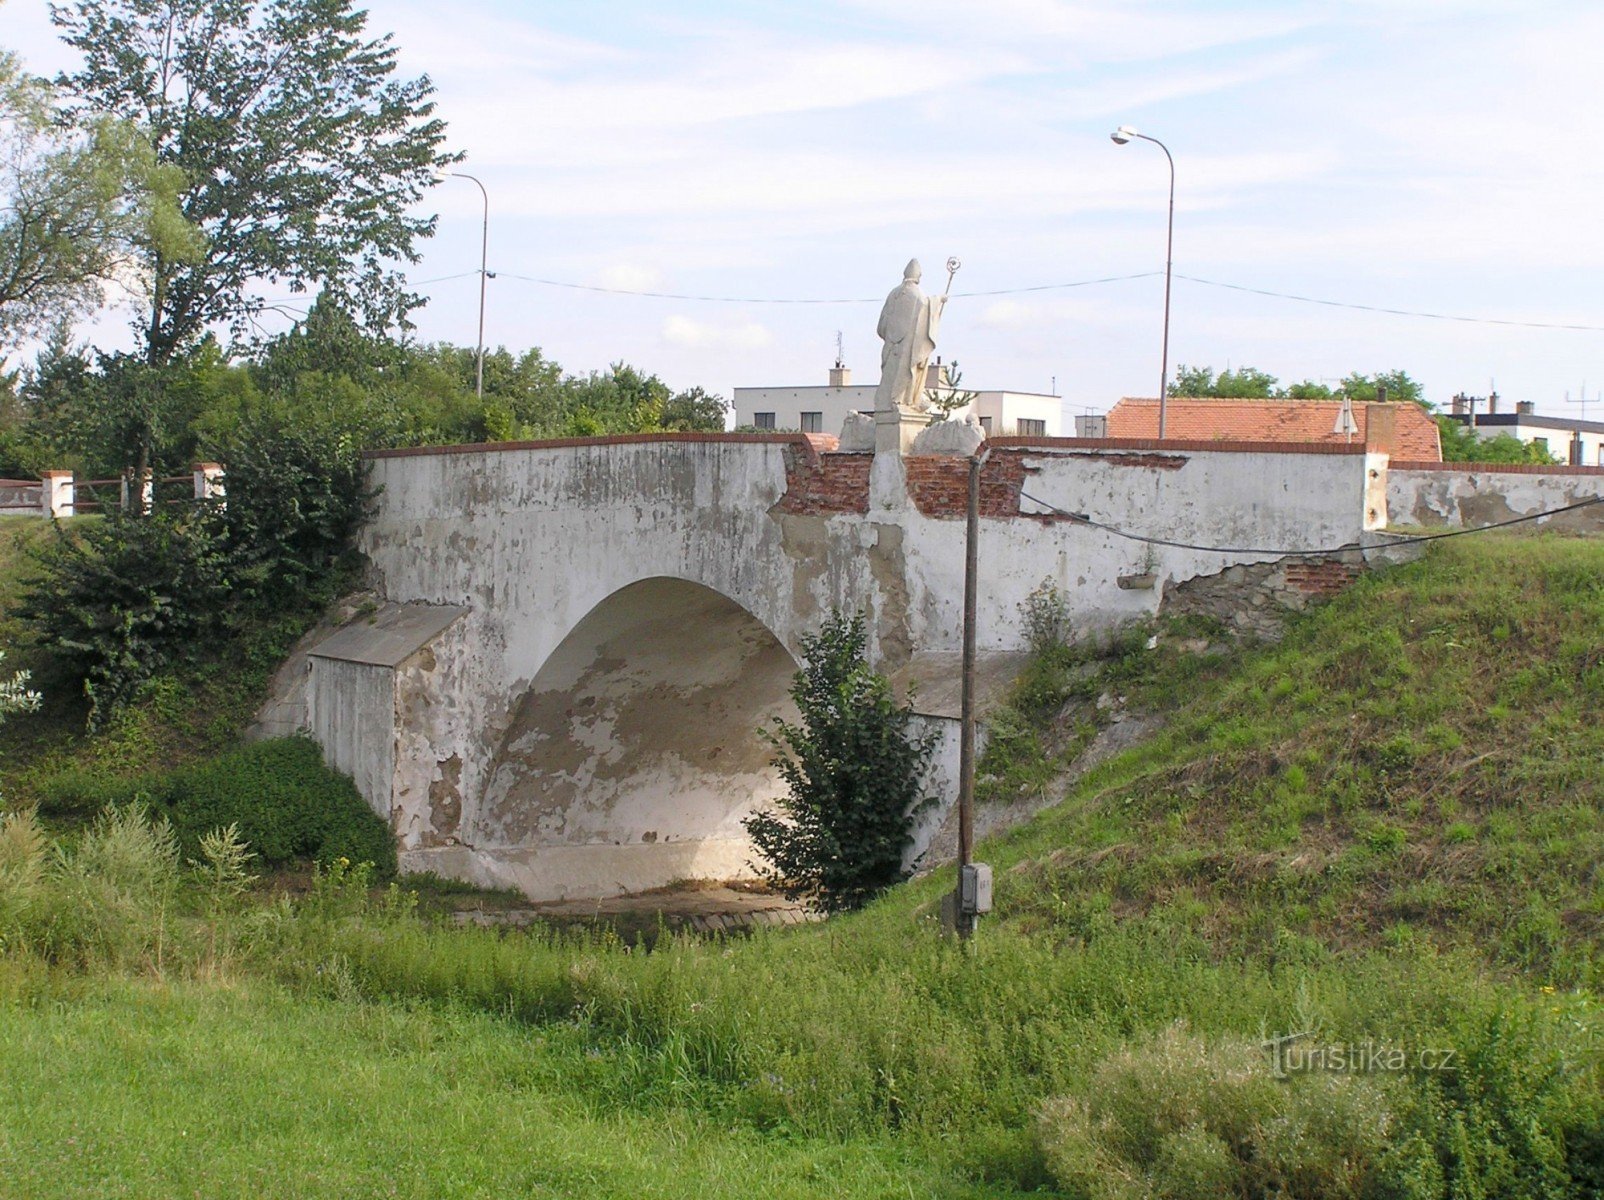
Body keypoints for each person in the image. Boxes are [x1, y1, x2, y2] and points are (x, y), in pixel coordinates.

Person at [874, 259, 945, 413]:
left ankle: (888, 402)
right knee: (905, 373)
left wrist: (891, 334)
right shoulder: (918, 295)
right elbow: (925, 311)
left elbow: (882, 324)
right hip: (908, 345)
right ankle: (904, 399)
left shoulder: (893, 294)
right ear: (917, 276)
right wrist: (939, 300)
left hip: (891, 346)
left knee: (889, 376)